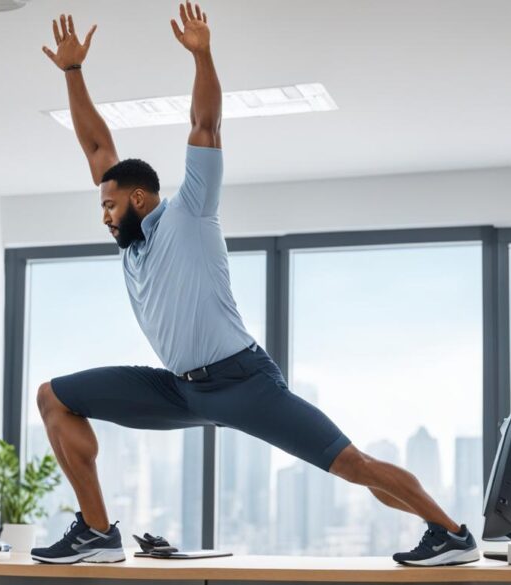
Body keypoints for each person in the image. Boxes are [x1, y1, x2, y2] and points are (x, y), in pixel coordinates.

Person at [31, 3, 480, 567]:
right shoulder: (134, 246)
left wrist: (202, 55)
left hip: (243, 381)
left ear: (139, 199)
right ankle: (97, 532)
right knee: (55, 397)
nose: (103, 213)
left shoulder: (190, 212)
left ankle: (450, 534)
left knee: (352, 464)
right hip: (179, 389)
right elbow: (98, 149)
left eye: (110, 203)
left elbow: (205, 125)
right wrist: (73, 73)